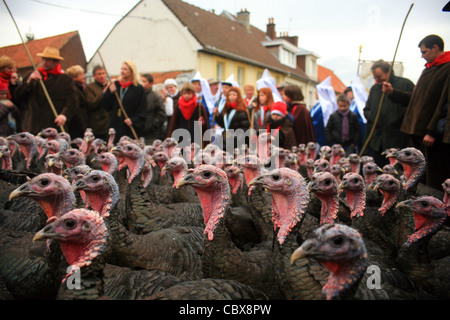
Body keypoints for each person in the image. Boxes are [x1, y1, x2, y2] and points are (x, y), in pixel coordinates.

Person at [400, 34, 450, 189]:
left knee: (433, 176)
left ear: (436, 48)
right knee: (419, 175)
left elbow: (444, 104)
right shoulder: (430, 69)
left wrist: (433, 131)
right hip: (418, 131)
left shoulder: (446, 68)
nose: (422, 56)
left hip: (431, 135)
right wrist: (393, 93)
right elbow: (417, 99)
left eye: (425, 52)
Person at [363, 59, 414, 166]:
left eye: (379, 76)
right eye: (375, 77)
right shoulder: (375, 89)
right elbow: (367, 109)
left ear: (388, 72)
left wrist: (394, 119)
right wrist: (372, 117)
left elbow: (412, 107)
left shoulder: (405, 84)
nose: (377, 80)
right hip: (377, 141)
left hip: (396, 139)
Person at [15, 46, 77, 135]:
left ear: (56, 62)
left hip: (54, 126)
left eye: (48, 60)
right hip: (33, 126)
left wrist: (64, 115)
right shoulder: (32, 75)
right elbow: (18, 96)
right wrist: (28, 82)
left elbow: (72, 102)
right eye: (43, 59)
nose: (44, 62)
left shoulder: (65, 79)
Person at [101, 60, 147, 143]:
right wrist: (110, 93)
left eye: (125, 69)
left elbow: (142, 109)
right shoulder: (115, 85)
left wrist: (133, 120)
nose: (122, 71)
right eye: (121, 69)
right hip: (115, 124)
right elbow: (105, 104)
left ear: (132, 71)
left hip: (128, 126)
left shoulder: (138, 88)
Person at [214, 86, 251, 151]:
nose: (231, 96)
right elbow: (224, 124)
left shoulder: (241, 110)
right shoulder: (227, 108)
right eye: (230, 95)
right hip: (226, 139)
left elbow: (245, 129)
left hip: (237, 142)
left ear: (238, 96)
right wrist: (217, 115)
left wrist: (237, 140)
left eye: (234, 95)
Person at [85, 65, 110, 141]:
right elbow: (91, 103)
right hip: (98, 126)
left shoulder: (109, 86)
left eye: (103, 73)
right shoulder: (90, 87)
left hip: (109, 124)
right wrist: (103, 92)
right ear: (94, 76)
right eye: (99, 74)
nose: (102, 76)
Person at [141, 73, 167, 144]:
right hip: (140, 133)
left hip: (152, 135)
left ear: (150, 84)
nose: (141, 83)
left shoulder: (156, 97)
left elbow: (161, 115)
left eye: (144, 81)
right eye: (141, 81)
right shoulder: (138, 96)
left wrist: (152, 126)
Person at [66, 65, 88, 139]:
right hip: (77, 124)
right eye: (81, 74)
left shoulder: (81, 87)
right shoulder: (74, 88)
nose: (84, 76)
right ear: (74, 77)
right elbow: (77, 107)